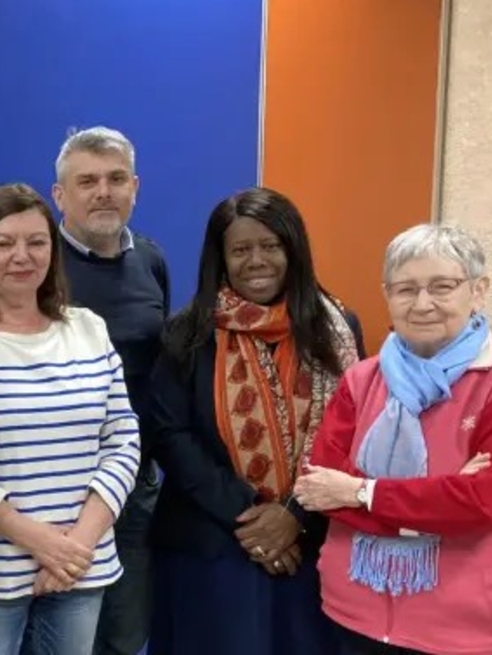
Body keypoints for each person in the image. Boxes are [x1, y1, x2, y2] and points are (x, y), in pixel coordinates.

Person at [0, 183, 140, 655]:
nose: (21, 256)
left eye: (36, 242)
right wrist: (38, 540)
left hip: (81, 568)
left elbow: (124, 441)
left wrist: (76, 545)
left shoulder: (88, 329)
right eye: (3, 243)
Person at [146, 187, 361, 655]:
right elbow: (169, 435)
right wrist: (251, 517)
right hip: (210, 546)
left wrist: (293, 518)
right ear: (220, 259)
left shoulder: (337, 329)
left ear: (293, 249)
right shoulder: (188, 332)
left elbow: (353, 431)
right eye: (240, 250)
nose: (256, 260)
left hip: (310, 545)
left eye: (270, 246)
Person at [294, 223, 492, 655]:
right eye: (405, 289)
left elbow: (481, 502)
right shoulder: (361, 380)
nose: (422, 304)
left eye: (442, 286)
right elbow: (319, 488)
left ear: (478, 291)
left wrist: (359, 491)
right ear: (387, 295)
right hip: (353, 612)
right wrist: (438, 502)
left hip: (460, 627)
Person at [51, 126, 167, 655]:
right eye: (88, 181)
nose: (104, 192)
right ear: (60, 195)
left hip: (132, 488)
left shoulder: (151, 260)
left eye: (116, 179)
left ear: (134, 188)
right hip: (52, 492)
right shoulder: (35, 263)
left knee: (124, 635)